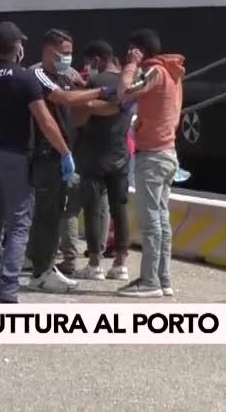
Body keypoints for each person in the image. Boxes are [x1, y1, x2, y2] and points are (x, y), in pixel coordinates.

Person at [0, 22, 82, 303]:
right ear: (17, 48)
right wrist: (65, 153)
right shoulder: (25, 78)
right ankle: (8, 287)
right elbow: (45, 121)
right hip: (16, 157)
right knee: (17, 225)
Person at [23, 28, 106, 292]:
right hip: (47, 154)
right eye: (65, 53)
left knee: (55, 212)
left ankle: (47, 265)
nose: (69, 59)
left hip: (63, 154)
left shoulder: (63, 76)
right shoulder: (38, 75)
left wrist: (107, 98)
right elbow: (63, 98)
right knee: (46, 216)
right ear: (50, 51)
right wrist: (99, 91)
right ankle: (40, 272)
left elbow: (80, 105)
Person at [117, 29, 186, 298]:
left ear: (139, 50)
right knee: (162, 220)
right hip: (168, 154)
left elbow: (125, 92)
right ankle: (163, 278)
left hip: (153, 156)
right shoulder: (173, 73)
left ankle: (149, 282)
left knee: (151, 223)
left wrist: (131, 64)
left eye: (131, 51)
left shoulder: (155, 72)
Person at [72, 40, 133, 281]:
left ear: (97, 60)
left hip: (93, 154)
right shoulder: (127, 84)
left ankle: (95, 263)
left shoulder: (95, 84)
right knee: (120, 208)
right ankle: (120, 263)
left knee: (93, 209)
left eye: (90, 62)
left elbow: (79, 120)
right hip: (120, 152)